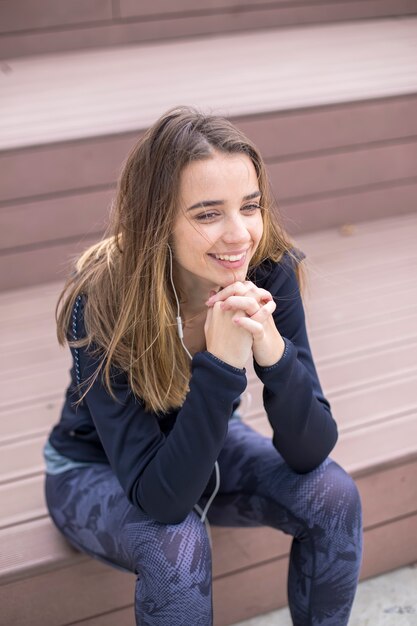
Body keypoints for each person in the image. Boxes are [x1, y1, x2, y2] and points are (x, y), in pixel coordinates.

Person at [44, 106, 362, 626]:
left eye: (251, 206)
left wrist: (274, 355)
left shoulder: (266, 270)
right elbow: (162, 499)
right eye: (208, 213)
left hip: (207, 442)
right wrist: (218, 364)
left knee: (333, 494)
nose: (240, 235)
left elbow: (310, 450)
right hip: (93, 468)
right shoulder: (105, 300)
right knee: (176, 542)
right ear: (157, 221)